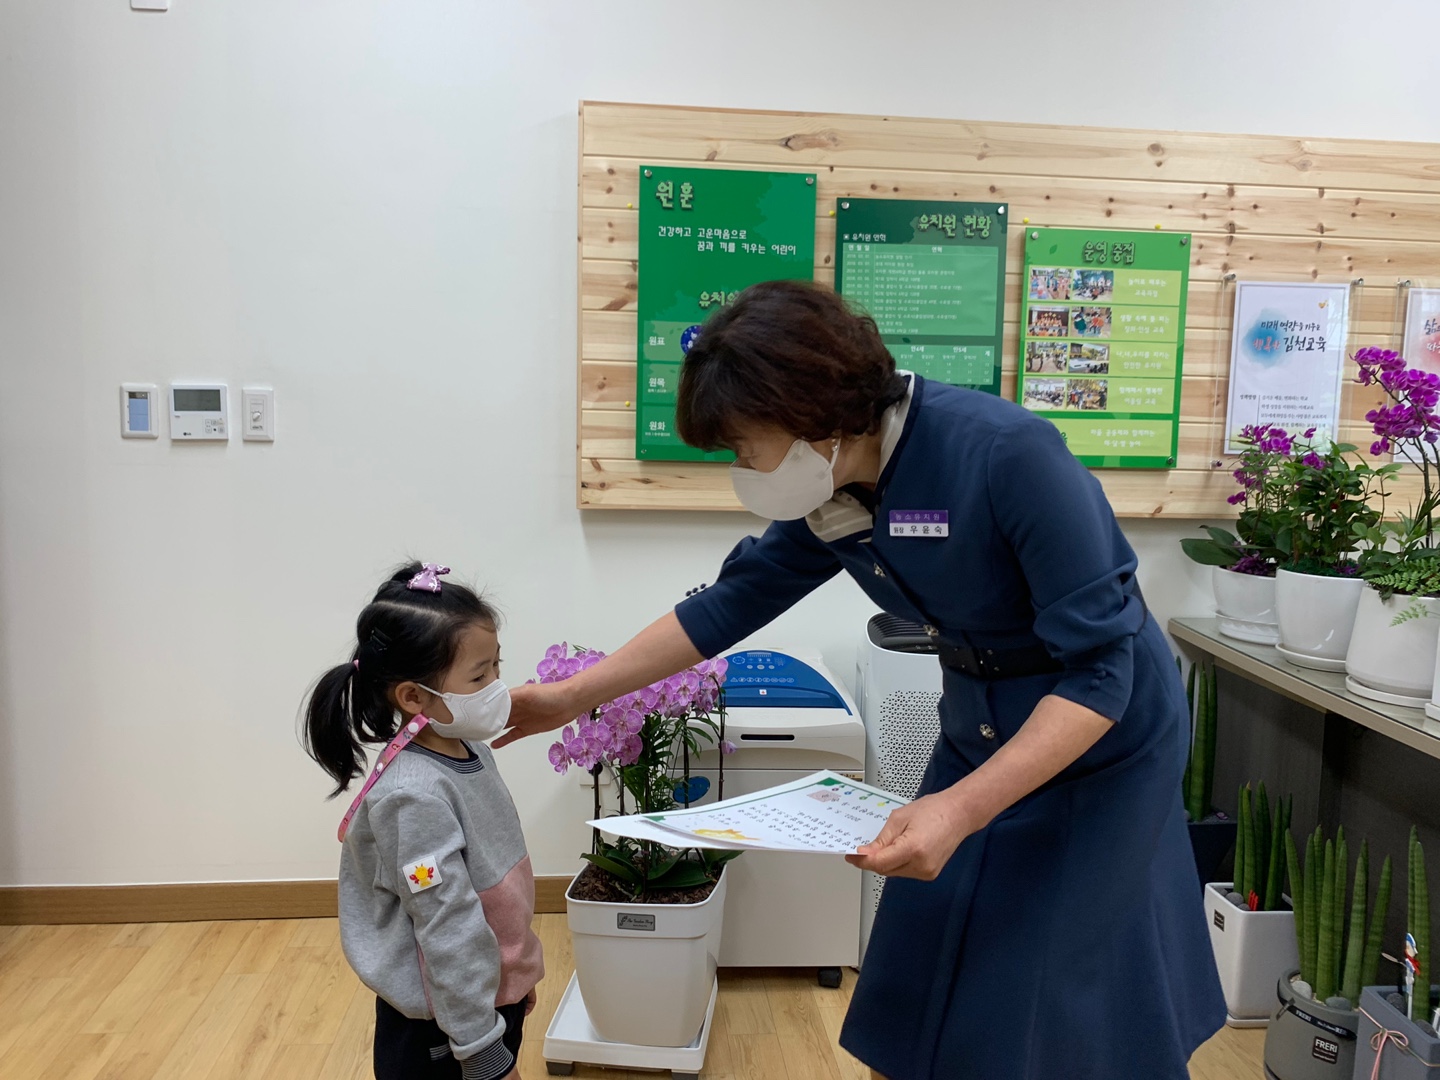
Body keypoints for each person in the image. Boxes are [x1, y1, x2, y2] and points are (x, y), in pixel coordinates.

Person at [500, 280, 1224, 1080]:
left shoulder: (1005, 455)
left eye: (742, 445)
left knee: (1057, 972)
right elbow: (731, 602)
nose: (740, 467)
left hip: (1096, 733)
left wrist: (959, 807)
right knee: (924, 940)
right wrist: (573, 695)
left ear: (817, 418)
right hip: (980, 717)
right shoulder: (834, 485)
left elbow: (1100, 672)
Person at [304, 563, 543, 1080]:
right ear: (413, 696)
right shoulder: (413, 796)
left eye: (496, 666)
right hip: (445, 1028)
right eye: (478, 676)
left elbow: (492, 883)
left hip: (480, 1001)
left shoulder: (471, 751)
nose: (497, 687)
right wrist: (480, 1045)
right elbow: (446, 927)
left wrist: (512, 974)